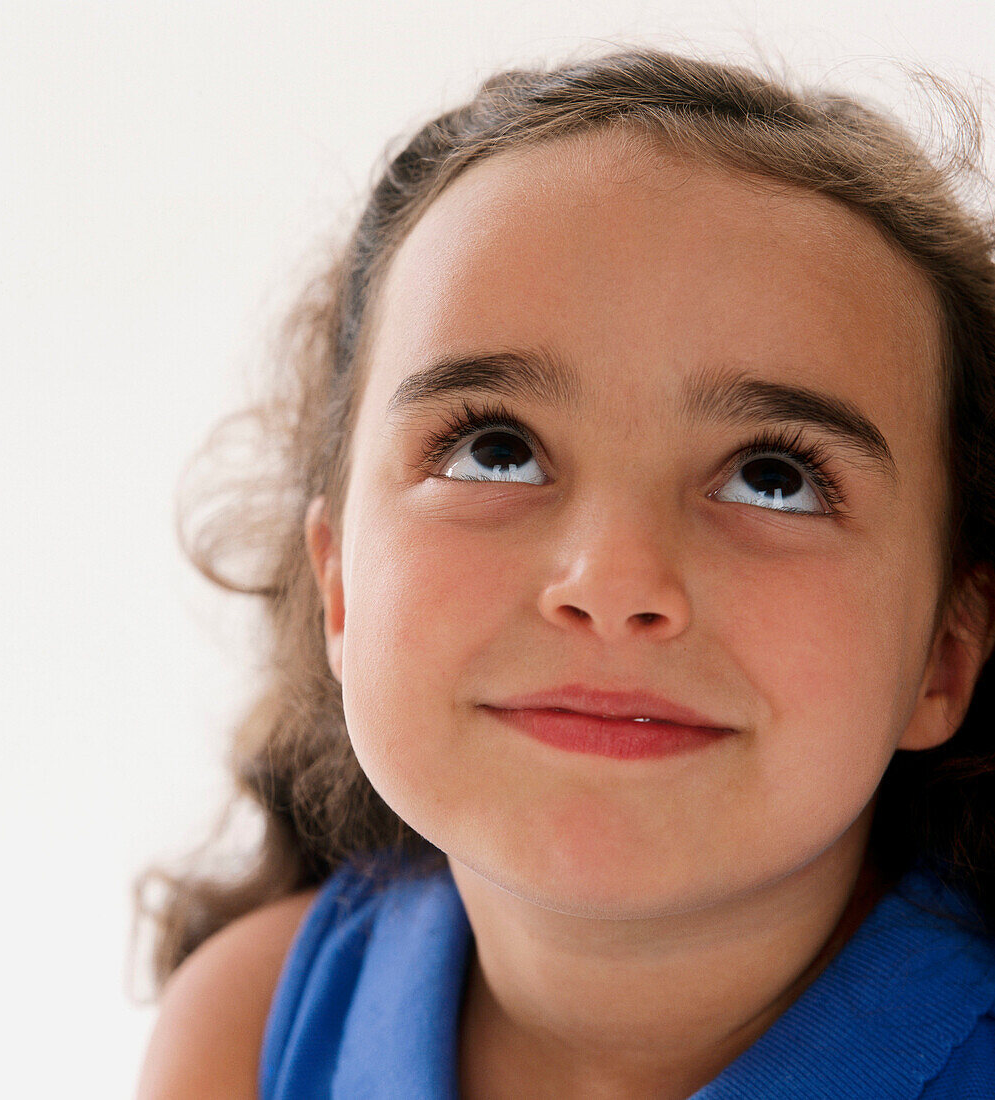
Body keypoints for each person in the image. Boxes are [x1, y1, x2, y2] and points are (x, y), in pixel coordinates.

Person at [134, 46, 995, 1098]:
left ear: (943, 653)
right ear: (340, 589)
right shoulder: (249, 1025)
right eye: (494, 448)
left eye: (773, 477)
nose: (612, 578)